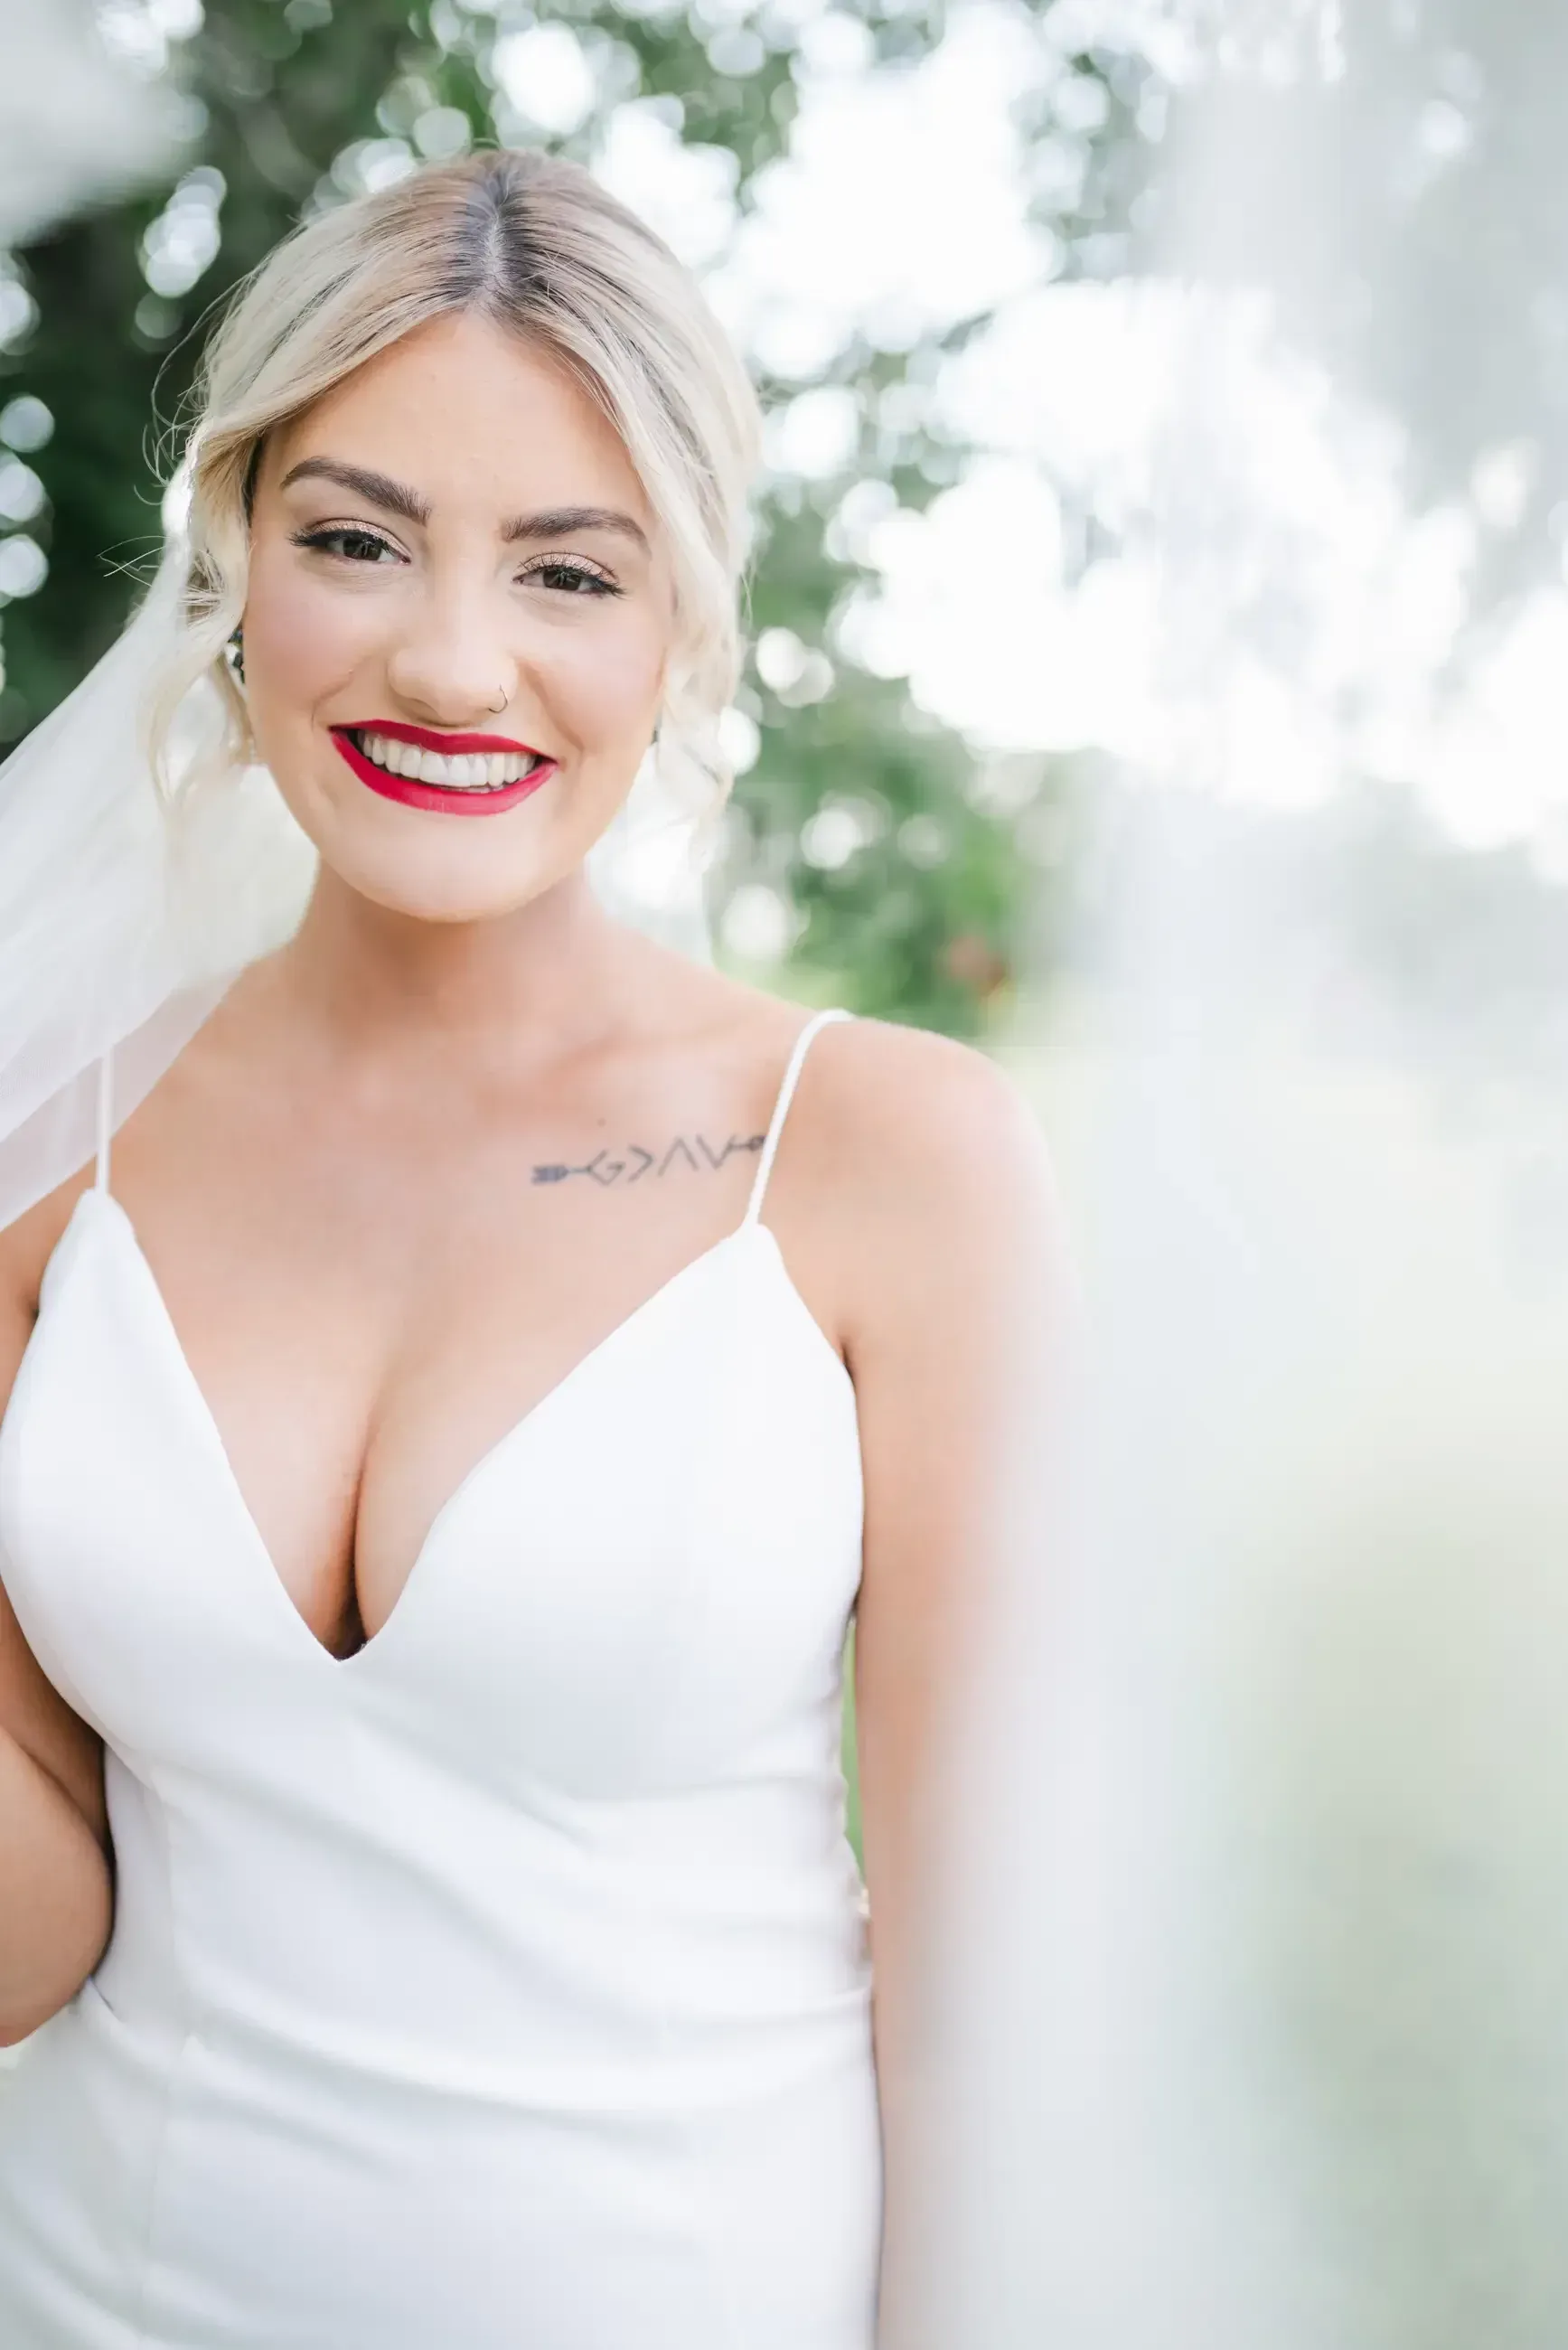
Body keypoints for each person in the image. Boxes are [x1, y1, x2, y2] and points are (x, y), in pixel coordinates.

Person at [0, 146, 1059, 2348]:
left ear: (679, 618)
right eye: (356, 540)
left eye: (566, 573)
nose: (450, 659)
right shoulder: (52, 1156)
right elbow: (34, 1927)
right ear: (234, 563)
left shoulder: (882, 1162)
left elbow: (990, 1996)